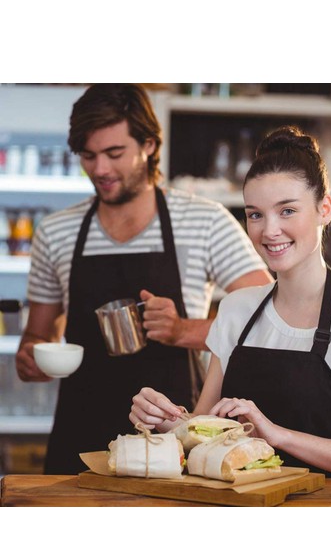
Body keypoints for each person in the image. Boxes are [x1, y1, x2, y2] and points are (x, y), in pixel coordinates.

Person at [16, 83, 272, 475]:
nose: (99, 169)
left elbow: (265, 322)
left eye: (114, 153)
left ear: (150, 144)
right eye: (88, 155)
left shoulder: (204, 221)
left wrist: (183, 329)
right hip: (79, 438)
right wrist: (32, 358)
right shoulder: (56, 232)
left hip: (176, 440)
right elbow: (37, 336)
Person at [129, 124, 331, 478]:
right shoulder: (237, 310)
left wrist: (278, 436)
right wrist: (167, 421)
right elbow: (201, 433)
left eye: (288, 211)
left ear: (325, 209)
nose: (269, 230)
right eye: (255, 214)